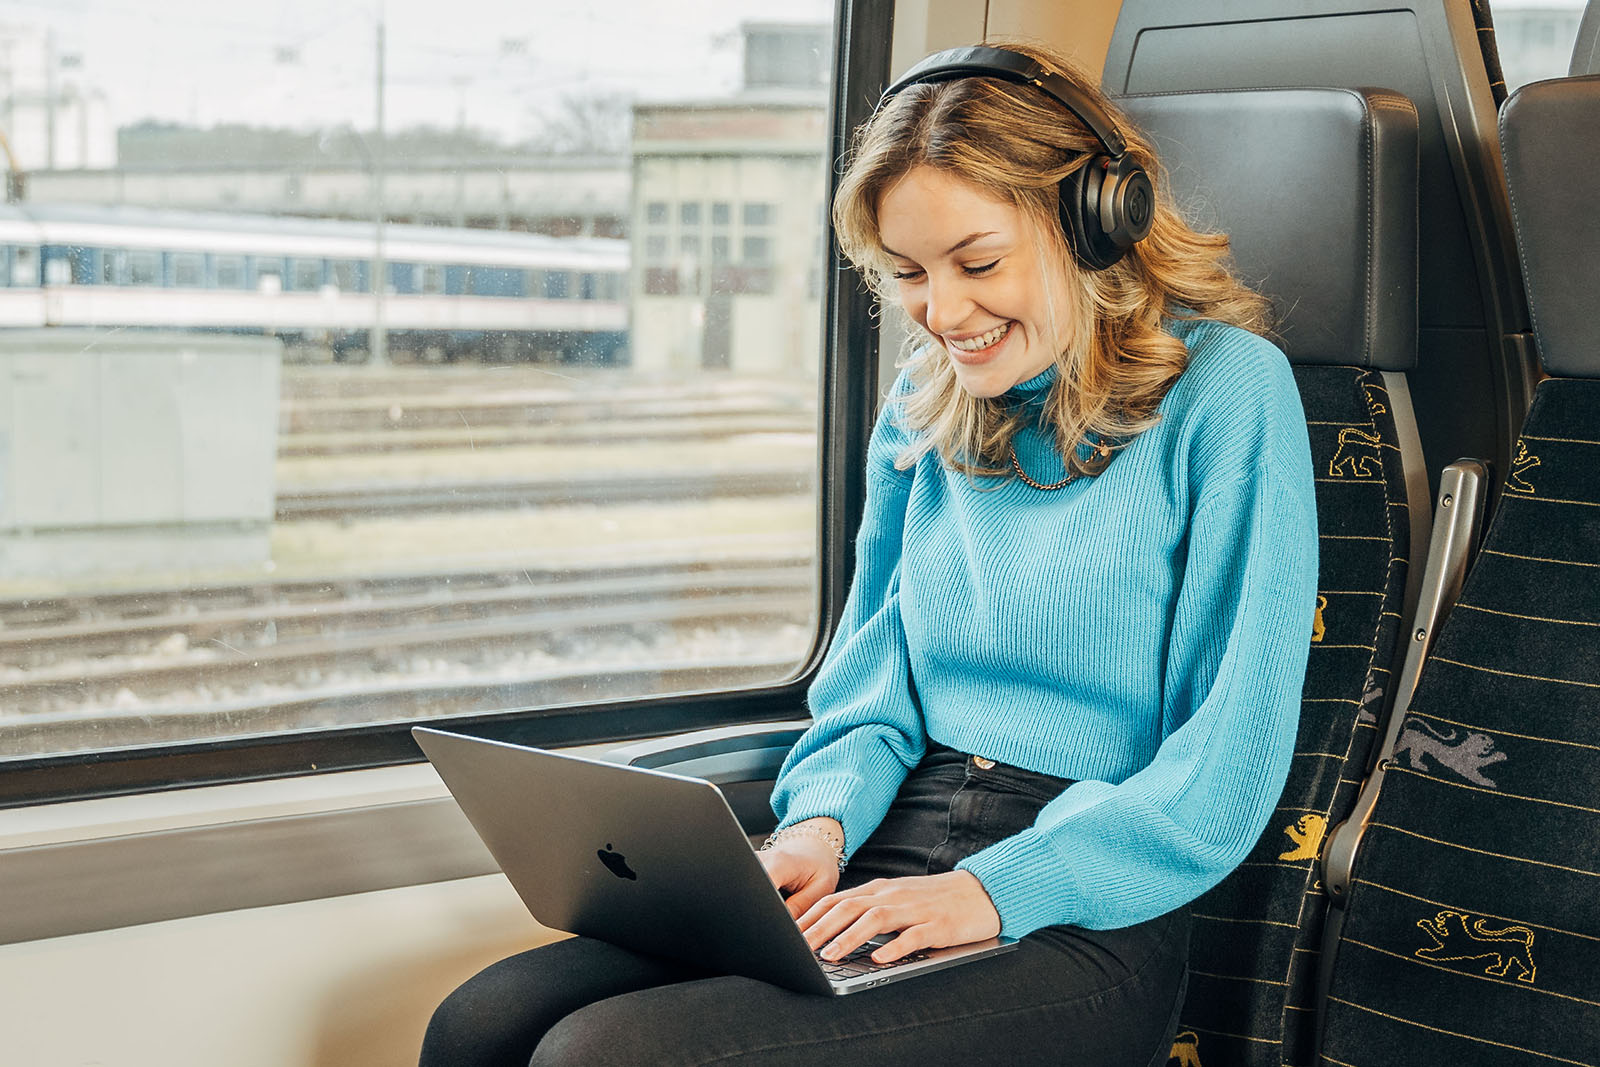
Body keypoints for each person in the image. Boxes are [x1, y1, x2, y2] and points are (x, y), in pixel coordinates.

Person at [420, 40, 1318, 1067]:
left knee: (611, 1055)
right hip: (896, 834)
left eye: (977, 263)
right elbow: (870, 689)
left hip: (1081, 902)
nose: (942, 314)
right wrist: (817, 830)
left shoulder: (1229, 392)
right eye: (909, 275)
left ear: (1091, 222)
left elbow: (1224, 761)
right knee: (483, 1022)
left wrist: (989, 890)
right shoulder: (929, 401)